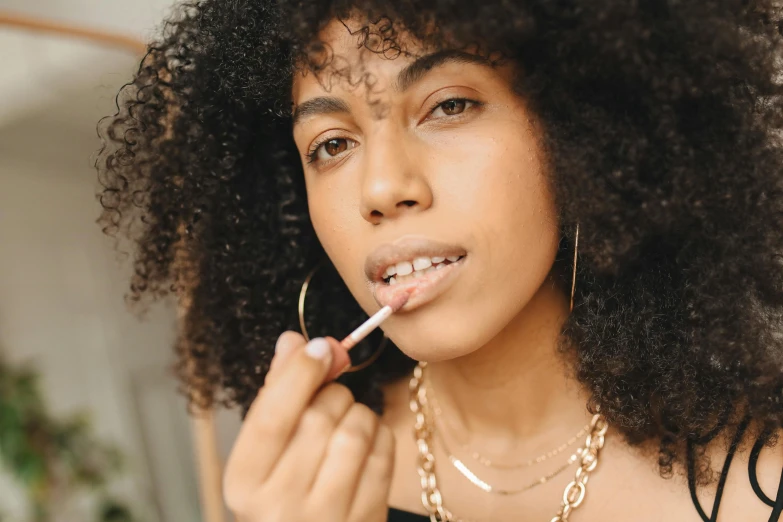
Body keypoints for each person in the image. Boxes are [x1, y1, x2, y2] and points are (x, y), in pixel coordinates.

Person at [95, 1, 783, 520]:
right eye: (331, 144)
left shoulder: (760, 482)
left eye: (448, 105)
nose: (381, 189)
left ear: (584, 136)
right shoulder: (312, 488)